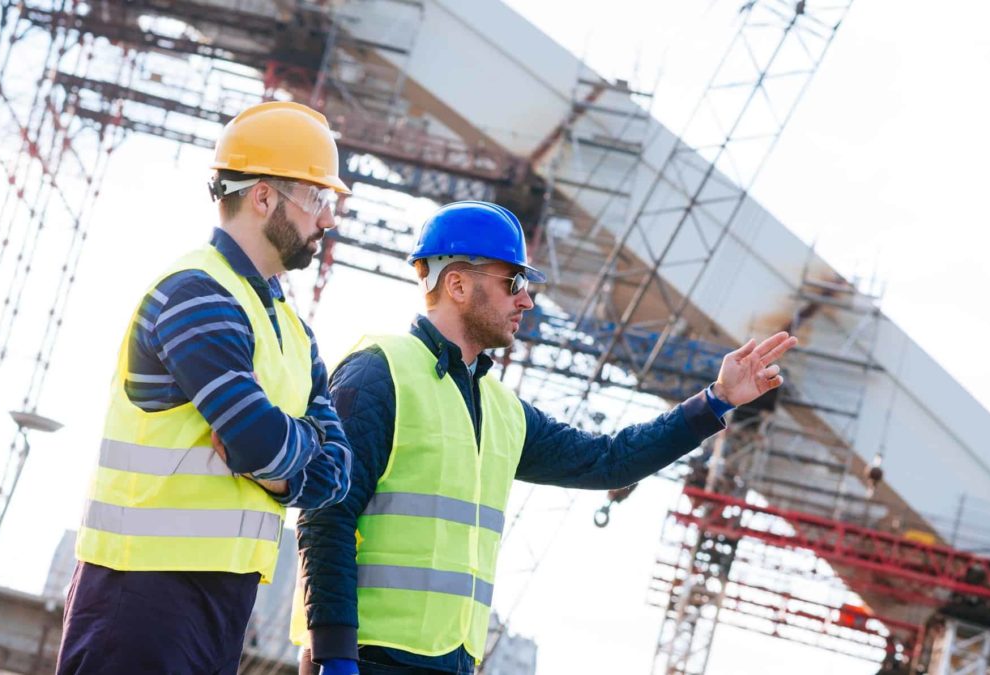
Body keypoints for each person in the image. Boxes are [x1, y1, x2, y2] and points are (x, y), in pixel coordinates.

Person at [294, 201, 797, 674]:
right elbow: (325, 517)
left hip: (454, 659)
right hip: (369, 657)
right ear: (457, 284)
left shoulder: (500, 410)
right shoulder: (379, 374)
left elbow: (609, 460)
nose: (527, 299)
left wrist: (716, 400)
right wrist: (335, 657)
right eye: (513, 281)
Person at [56, 101, 356, 674]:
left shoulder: (292, 330)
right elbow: (258, 442)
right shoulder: (197, 295)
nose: (328, 220)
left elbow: (334, 475)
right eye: (318, 199)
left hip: (221, 604)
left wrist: (272, 456)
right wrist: (280, 450)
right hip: (139, 596)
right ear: (264, 196)